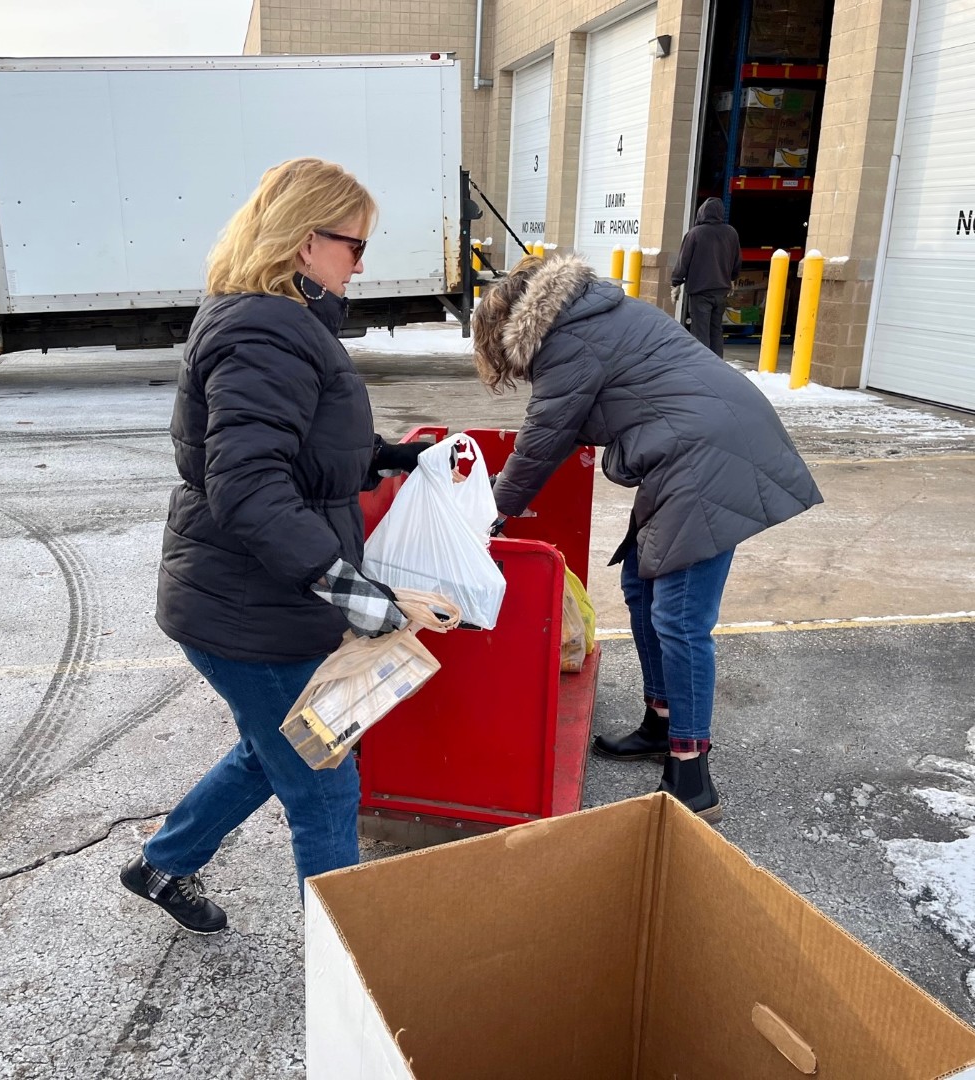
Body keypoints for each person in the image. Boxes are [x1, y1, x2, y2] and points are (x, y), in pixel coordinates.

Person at [120, 158, 429, 934]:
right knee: (324, 783)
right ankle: (349, 989)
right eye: (355, 247)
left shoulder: (277, 324)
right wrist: (357, 596)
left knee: (280, 746)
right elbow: (250, 486)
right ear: (304, 243)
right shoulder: (267, 328)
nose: (363, 264)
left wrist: (392, 457)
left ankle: (163, 864)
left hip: (253, 602)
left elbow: (300, 449)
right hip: (250, 613)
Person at [473, 252, 822, 823]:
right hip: (690, 446)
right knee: (639, 584)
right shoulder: (594, 312)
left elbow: (544, 440)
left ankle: (691, 769)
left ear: (511, 327)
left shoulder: (567, 339)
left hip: (705, 456)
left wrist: (492, 509)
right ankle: (661, 722)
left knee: (680, 618)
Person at [670, 196, 741, 357]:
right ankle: (717, 366)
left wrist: (676, 283)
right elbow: (736, 260)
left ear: (701, 213)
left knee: (700, 332)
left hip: (700, 292)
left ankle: (702, 367)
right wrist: (732, 278)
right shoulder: (731, 233)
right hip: (721, 291)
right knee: (716, 331)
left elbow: (683, 261)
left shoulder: (695, 234)